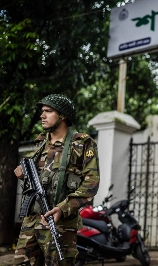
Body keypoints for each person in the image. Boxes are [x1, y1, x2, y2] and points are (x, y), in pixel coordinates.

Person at [13, 94, 100, 266]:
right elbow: (41, 181)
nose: (42, 115)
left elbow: (92, 183)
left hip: (60, 224)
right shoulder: (41, 143)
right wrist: (25, 175)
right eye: (42, 111)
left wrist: (63, 208)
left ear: (63, 115)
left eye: (48, 111)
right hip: (31, 220)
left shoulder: (82, 143)